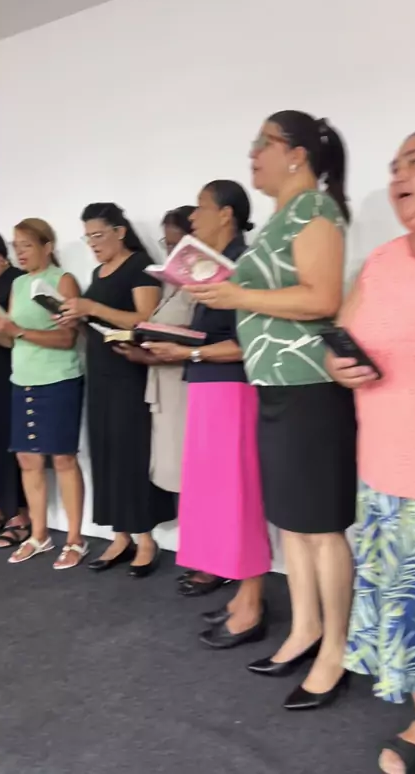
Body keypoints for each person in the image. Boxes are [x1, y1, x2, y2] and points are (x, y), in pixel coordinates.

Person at [190, 112, 357, 704]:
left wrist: (236, 293)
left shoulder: (315, 210)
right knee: (293, 523)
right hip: (276, 386)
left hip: (310, 387)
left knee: (322, 529)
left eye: (263, 143)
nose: (253, 154)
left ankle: (336, 648)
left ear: (296, 154)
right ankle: (305, 629)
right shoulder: (279, 221)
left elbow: (322, 297)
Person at [327, 127, 415, 774]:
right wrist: (339, 365)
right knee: (414, 604)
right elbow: (341, 341)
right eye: (393, 167)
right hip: (388, 467)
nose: (399, 176)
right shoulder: (382, 261)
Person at [148, 181, 271, 647]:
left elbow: (247, 342)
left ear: (226, 214)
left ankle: (253, 603)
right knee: (216, 496)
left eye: (201, 208)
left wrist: (188, 353)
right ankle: (242, 595)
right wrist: (179, 344)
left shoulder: (243, 266)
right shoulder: (210, 267)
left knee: (239, 496)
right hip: (207, 386)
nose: (193, 218)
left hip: (231, 389)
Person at [60, 203, 175, 576]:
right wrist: (77, 319)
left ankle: (146, 539)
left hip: (129, 373)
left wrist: (91, 306)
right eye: (87, 237)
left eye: (98, 235)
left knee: (131, 453)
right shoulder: (98, 272)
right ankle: (120, 535)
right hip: (101, 373)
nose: (93, 243)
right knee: (106, 453)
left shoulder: (139, 266)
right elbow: (97, 327)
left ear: (119, 232)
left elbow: (145, 320)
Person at [0, 219, 87, 568]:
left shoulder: (62, 280)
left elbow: (68, 338)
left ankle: (75, 540)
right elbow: (12, 340)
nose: (20, 253)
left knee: (63, 460)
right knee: (27, 461)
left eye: (26, 245)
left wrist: (16, 330)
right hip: (22, 379)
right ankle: (39, 535)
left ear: (47, 246)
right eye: (16, 247)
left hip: (58, 379)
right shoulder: (19, 284)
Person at [115, 206, 195, 500]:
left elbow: (204, 332)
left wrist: (159, 340)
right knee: (172, 468)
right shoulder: (171, 283)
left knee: (188, 469)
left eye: (178, 244)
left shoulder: (203, 284)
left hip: (185, 385)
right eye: (167, 245)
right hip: (164, 381)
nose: (171, 252)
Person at [0, 228, 29, 548]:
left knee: (8, 441)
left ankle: (20, 515)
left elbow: (18, 333)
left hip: (6, 371)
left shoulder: (15, 281)